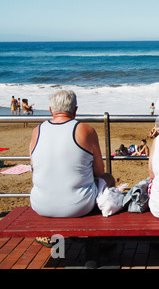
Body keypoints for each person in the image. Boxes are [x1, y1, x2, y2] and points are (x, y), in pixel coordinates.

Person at [30, 90, 116, 220]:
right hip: (79, 206)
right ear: (75, 110)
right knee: (108, 178)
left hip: (40, 205)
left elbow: (34, 168)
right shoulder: (86, 130)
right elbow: (99, 171)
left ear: (50, 110)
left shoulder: (37, 131)